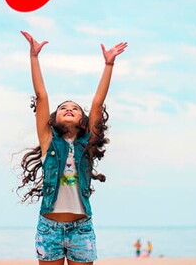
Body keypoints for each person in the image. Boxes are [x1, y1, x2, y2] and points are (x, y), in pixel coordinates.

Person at [17, 31, 127, 265]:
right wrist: (34, 57)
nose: (68, 109)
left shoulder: (86, 145)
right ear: (54, 119)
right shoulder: (49, 142)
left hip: (81, 228)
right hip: (49, 228)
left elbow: (97, 102)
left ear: (83, 120)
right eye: (63, 108)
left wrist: (109, 64)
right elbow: (41, 96)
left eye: (75, 108)